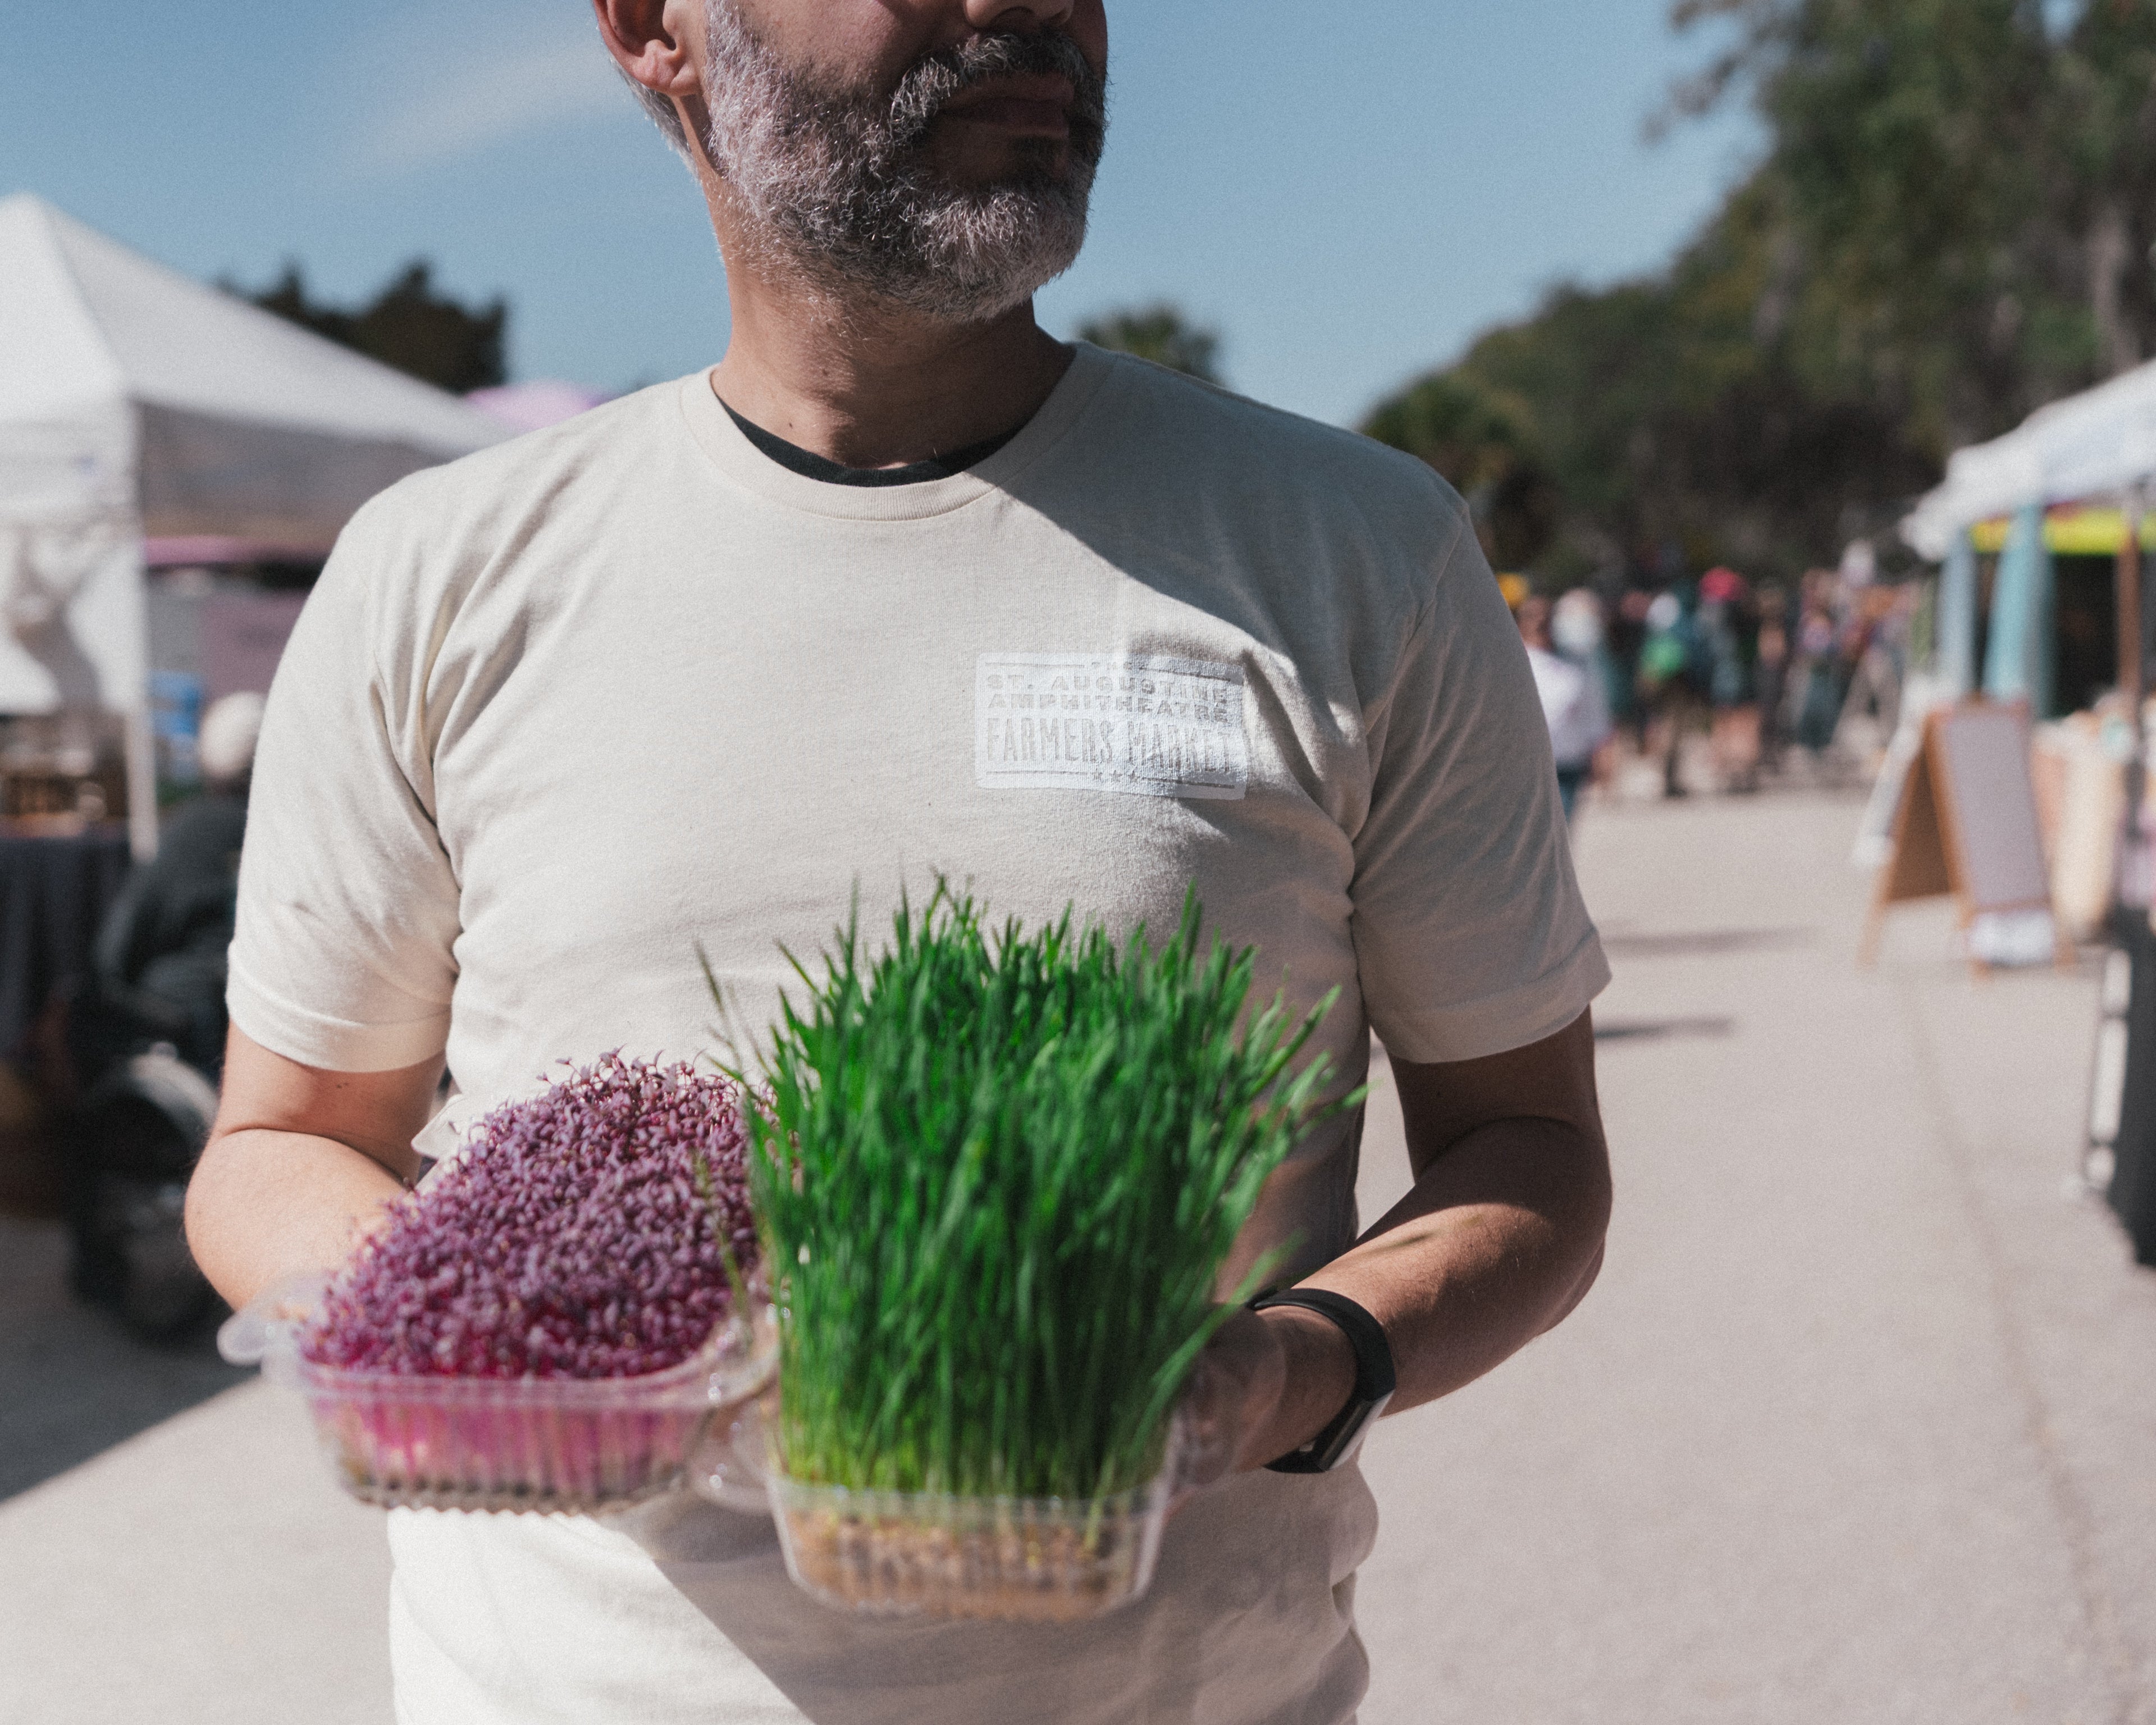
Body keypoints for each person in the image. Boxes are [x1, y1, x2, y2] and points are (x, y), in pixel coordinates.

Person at [184, 6, 1614, 1722]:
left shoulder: (1351, 548)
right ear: (654, 27)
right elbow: (277, 1145)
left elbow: (1527, 1148)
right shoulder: (438, 571)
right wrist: (525, 1343)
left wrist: (1287, 1372)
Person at [1519, 594, 1611, 823]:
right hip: (1525, 764)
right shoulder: (1511, 663)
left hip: (1567, 762)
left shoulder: (1575, 663)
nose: (1540, 622)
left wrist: (1600, 753)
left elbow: (1594, 711)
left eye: (1546, 617)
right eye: (1533, 616)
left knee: (1561, 830)